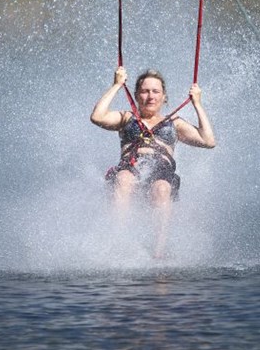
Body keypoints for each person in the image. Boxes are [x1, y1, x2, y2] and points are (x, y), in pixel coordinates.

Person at [90, 66, 216, 257]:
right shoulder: (126, 118)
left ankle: (159, 252)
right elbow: (97, 117)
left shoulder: (174, 122)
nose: (150, 96)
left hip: (161, 174)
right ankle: (118, 243)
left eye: (156, 91)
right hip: (130, 168)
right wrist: (117, 85)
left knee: (162, 188)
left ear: (164, 97)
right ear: (136, 95)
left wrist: (197, 103)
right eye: (145, 91)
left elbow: (208, 141)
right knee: (124, 178)